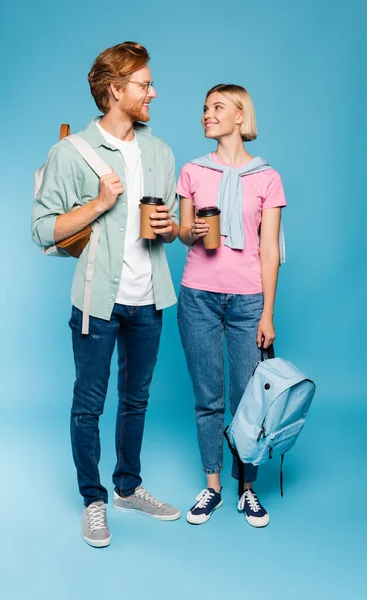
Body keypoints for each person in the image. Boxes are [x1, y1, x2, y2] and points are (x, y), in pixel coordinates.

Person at [32, 41, 181, 548]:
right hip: (97, 300)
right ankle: (93, 500)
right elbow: (43, 229)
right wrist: (100, 202)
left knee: (136, 400)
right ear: (116, 90)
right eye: (144, 85)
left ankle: (128, 488)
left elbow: (171, 222)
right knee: (89, 403)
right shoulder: (69, 153)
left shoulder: (160, 151)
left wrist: (168, 228)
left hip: (149, 300)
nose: (153, 93)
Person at [176, 84, 287, 528]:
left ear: (240, 117)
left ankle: (247, 488)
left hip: (247, 302)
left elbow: (269, 249)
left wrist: (267, 313)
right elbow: (183, 232)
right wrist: (192, 229)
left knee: (246, 400)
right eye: (205, 108)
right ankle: (213, 486)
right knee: (208, 397)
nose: (207, 114)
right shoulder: (191, 171)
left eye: (217, 108)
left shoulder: (267, 178)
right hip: (197, 295)